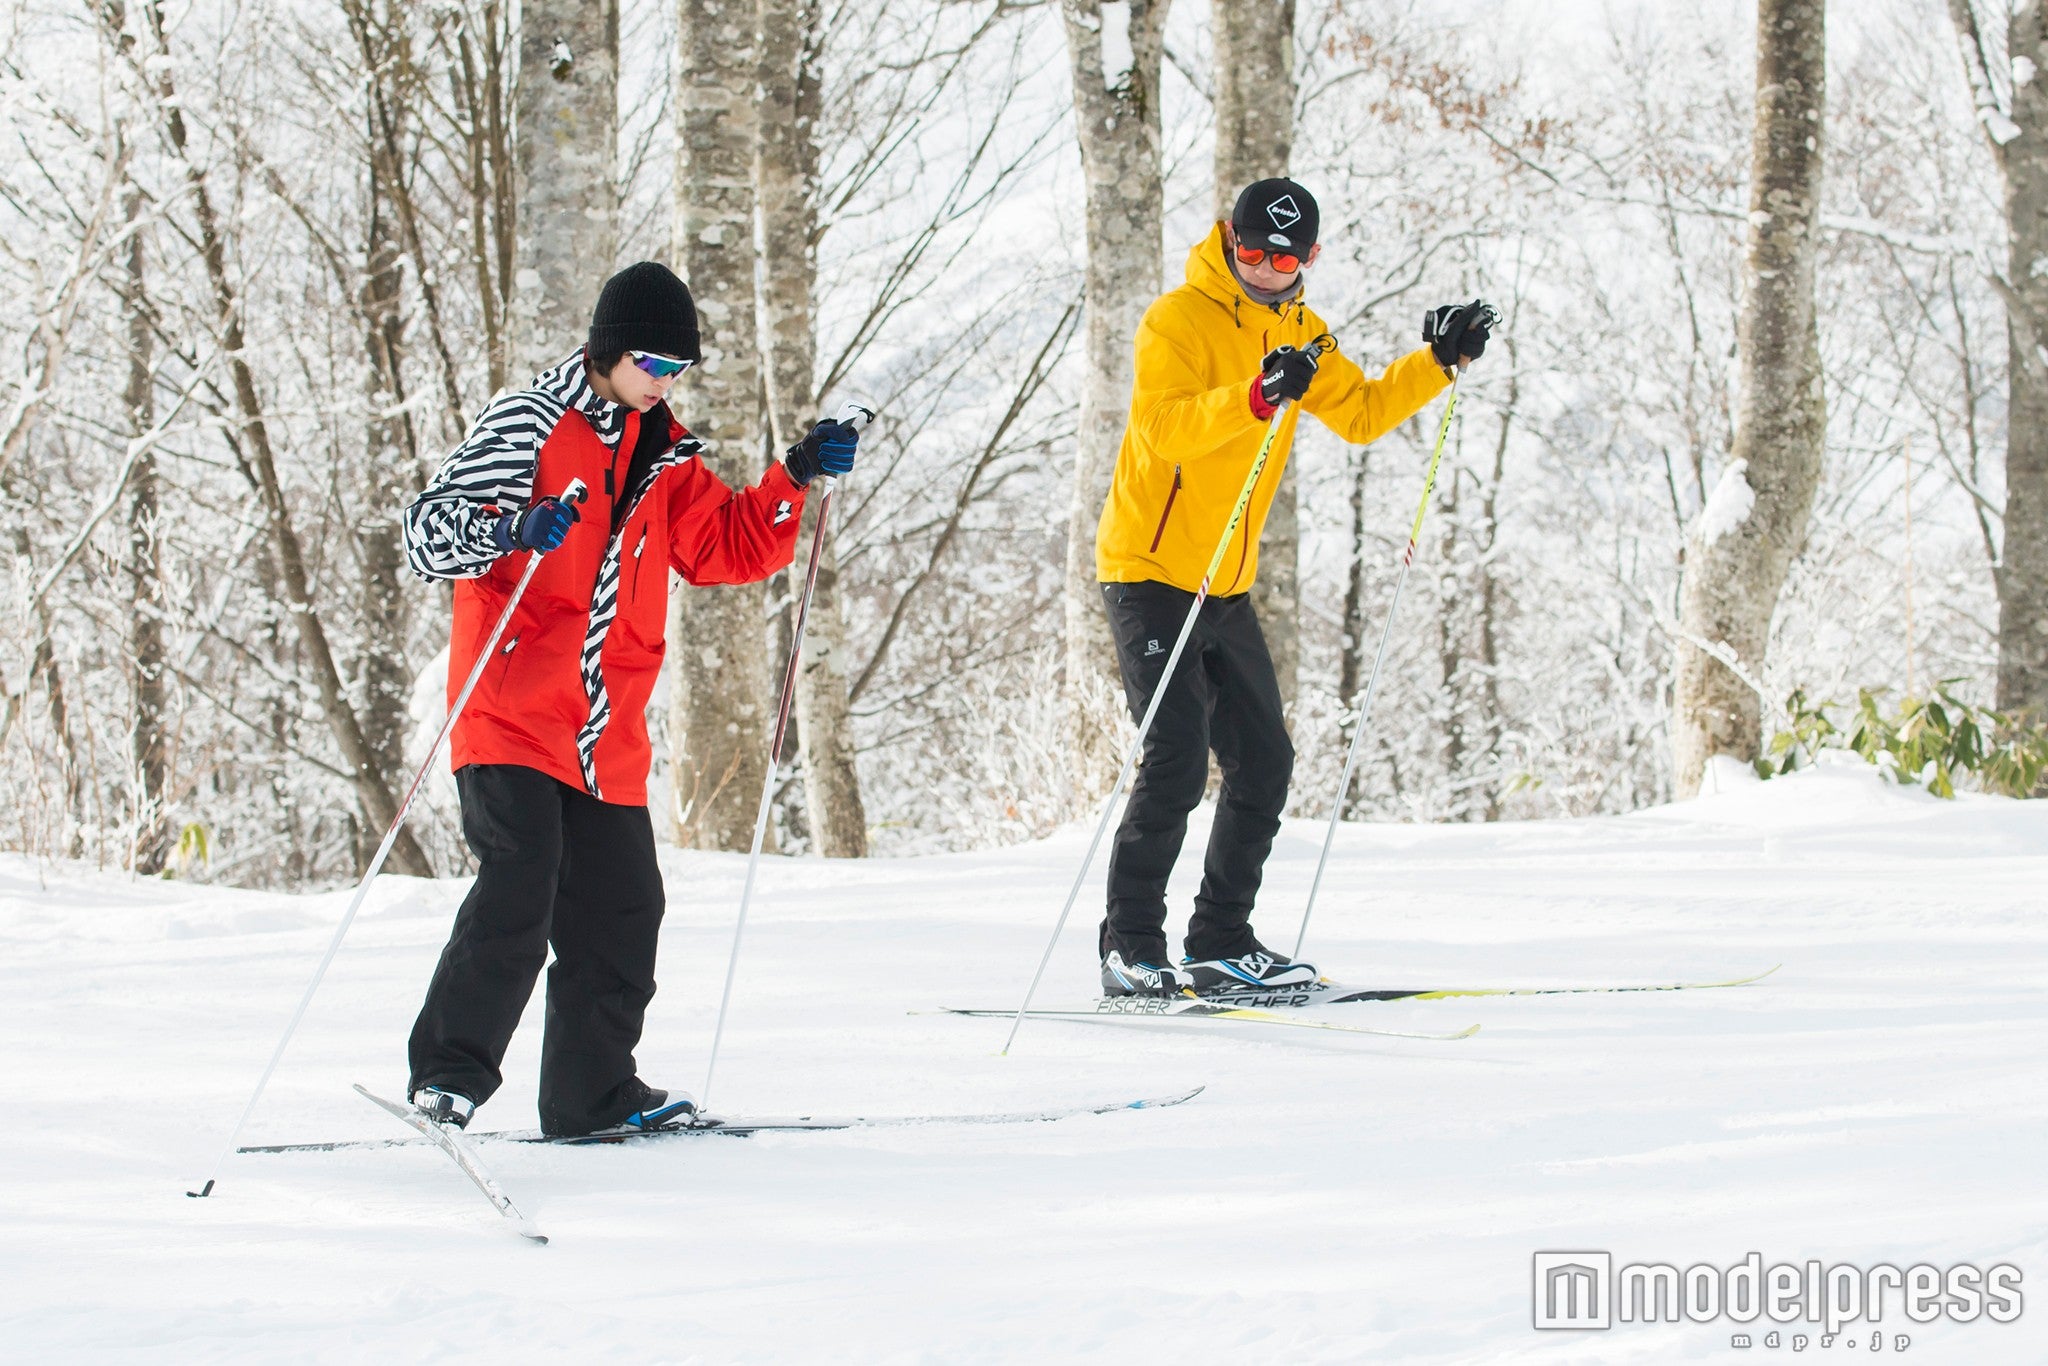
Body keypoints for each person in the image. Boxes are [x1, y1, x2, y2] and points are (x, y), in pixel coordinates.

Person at [398, 261, 860, 1135]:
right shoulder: (530, 421)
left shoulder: (665, 456)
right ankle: (447, 1080)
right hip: (512, 709)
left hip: (603, 731)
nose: (663, 382)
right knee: (521, 886)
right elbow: (428, 532)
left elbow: (727, 547)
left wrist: (795, 474)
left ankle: (590, 1094)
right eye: (651, 363)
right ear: (607, 349)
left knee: (624, 907)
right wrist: (511, 528)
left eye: (677, 369)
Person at [1093, 178, 1495, 998]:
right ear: (1229, 239)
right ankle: (1130, 948)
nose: (1269, 270)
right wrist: (1255, 395)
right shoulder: (1176, 320)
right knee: (1177, 759)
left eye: (1287, 258)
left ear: (1310, 257)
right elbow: (1164, 429)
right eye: (1255, 252)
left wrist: (1436, 362)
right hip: (1150, 570)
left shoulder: (1303, 332)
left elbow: (1362, 413)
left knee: (1265, 761)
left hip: (1224, 583)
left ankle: (1219, 941)